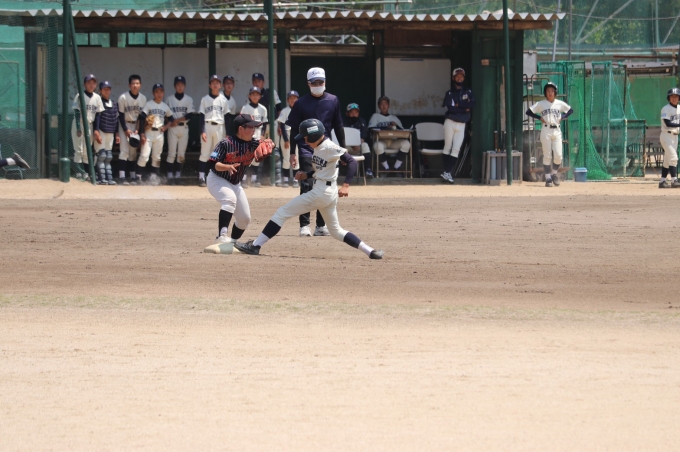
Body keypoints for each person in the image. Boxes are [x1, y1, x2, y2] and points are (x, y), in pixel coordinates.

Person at [234, 119, 384, 260]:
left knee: (281, 213)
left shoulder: (329, 147)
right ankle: (370, 251)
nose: (305, 141)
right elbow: (322, 169)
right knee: (336, 231)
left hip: (321, 192)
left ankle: (255, 246)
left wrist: (346, 185)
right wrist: (307, 174)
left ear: (314, 136)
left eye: (306, 138)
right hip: (326, 191)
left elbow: (351, 162)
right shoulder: (319, 147)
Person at [286, 67, 346, 237]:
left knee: (323, 185)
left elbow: (338, 126)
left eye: (320, 82)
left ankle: (320, 226)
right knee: (307, 185)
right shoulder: (300, 103)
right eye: (314, 82)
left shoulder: (333, 100)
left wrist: (343, 149)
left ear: (325, 82)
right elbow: (294, 128)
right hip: (306, 148)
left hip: (326, 149)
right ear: (308, 84)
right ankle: (304, 225)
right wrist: (292, 152)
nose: (318, 85)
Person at [206, 114, 274, 243]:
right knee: (229, 199)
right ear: (241, 129)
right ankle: (222, 236)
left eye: (255, 127)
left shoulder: (253, 144)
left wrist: (271, 143)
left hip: (235, 183)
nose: (254, 130)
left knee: (244, 219)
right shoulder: (225, 143)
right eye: (251, 127)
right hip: (217, 179)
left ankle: (232, 242)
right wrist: (227, 166)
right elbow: (212, 164)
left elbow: (267, 144)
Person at [525, 82, 573, 187]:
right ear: (545, 93)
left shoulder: (559, 103)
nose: (550, 93)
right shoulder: (541, 104)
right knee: (547, 155)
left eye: (552, 91)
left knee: (558, 155)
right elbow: (528, 112)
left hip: (557, 130)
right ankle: (548, 178)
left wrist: (563, 116)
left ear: (555, 92)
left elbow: (570, 110)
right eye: (548, 91)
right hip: (546, 130)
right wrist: (539, 117)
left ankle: (554, 174)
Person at [441, 68, 476, 184]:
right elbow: (451, 109)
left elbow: (472, 104)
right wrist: (464, 109)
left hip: (462, 124)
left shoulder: (468, 91)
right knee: (447, 146)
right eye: (457, 76)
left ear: (464, 78)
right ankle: (447, 172)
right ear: (453, 78)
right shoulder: (449, 93)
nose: (459, 78)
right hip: (450, 121)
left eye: (461, 76)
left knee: (456, 149)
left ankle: (447, 172)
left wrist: (459, 105)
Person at [137, 83, 173, 185]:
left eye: (161, 91)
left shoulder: (165, 106)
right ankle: (138, 177)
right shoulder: (149, 104)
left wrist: (166, 126)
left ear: (163, 93)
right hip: (148, 132)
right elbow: (142, 117)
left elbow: (171, 118)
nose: (159, 94)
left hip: (159, 133)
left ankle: (154, 178)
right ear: (153, 93)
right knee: (144, 155)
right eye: (157, 91)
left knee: (156, 157)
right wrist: (142, 133)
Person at [198, 75, 230, 187]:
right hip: (207, 126)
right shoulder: (204, 99)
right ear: (209, 85)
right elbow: (201, 116)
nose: (215, 84)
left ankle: (217, 177)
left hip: (219, 127)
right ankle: (201, 177)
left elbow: (227, 117)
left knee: (218, 153)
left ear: (220, 85)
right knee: (205, 152)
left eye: (217, 82)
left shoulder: (224, 100)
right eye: (213, 82)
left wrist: (228, 133)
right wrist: (202, 131)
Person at [71, 74, 104, 180]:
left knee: (87, 150)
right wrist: (78, 127)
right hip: (79, 123)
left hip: (90, 124)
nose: (91, 85)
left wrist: (96, 130)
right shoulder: (79, 95)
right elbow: (76, 111)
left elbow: (98, 115)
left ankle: (85, 172)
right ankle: (78, 172)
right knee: (78, 149)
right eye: (89, 83)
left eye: (93, 83)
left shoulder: (97, 97)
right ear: (84, 84)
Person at [117, 74, 147, 185]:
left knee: (133, 152)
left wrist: (138, 129)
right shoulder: (123, 97)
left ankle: (133, 176)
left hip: (135, 126)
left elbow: (141, 117)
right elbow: (120, 115)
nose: (135, 85)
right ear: (129, 85)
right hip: (124, 124)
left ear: (140, 85)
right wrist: (125, 130)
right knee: (124, 151)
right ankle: (122, 176)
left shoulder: (143, 98)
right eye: (133, 83)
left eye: (137, 83)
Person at [368, 96, 410, 172]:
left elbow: (402, 130)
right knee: (377, 145)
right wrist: (386, 127)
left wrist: (396, 126)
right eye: (381, 104)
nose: (384, 106)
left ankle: (396, 167)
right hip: (381, 140)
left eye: (386, 104)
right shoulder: (375, 116)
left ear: (389, 105)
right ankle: (386, 168)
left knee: (406, 143)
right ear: (379, 106)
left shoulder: (394, 118)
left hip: (393, 141)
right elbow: (371, 129)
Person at [166, 76, 194, 184]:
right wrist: (170, 121)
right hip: (172, 128)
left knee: (181, 153)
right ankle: (169, 176)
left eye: (182, 85)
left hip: (184, 127)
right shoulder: (169, 99)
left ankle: (177, 176)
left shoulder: (188, 99)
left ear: (184, 86)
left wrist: (176, 120)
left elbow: (190, 115)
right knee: (172, 153)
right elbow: (166, 114)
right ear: (175, 86)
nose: (180, 87)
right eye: (178, 85)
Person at [240, 86, 269, 188]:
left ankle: (254, 179)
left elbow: (264, 124)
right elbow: (242, 122)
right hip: (248, 134)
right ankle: (243, 179)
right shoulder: (245, 108)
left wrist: (262, 135)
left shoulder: (263, 109)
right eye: (253, 94)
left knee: (257, 157)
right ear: (249, 96)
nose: (255, 96)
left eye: (257, 94)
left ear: (260, 96)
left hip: (258, 133)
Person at [93, 80, 120, 185]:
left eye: (108, 89)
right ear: (100, 90)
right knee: (101, 155)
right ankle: (99, 177)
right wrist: (96, 131)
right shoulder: (99, 102)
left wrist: (117, 133)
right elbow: (97, 118)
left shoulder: (114, 104)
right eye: (104, 89)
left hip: (111, 133)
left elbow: (116, 120)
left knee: (108, 156)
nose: (107, 91)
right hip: (101, 132)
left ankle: (109, 178)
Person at [343, 102, 374, 178]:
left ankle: (368, 170)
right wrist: (351, 144)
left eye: (356, 112)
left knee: (365, 145)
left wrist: (357, 143)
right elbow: (341, 137)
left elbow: (364, 136)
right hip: (346, 147)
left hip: (358, 146)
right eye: (351, 112)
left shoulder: (362, 122)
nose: (354, 115)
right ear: (347, 113)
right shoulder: (342, 122)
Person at [276, 90, 301, 188]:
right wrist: (286, 140)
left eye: (295, 98)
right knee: (286, 158)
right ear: (287, 100)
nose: (293, 100)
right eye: (291, 98)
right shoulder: (285, 111)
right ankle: (286, 180)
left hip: (297, 136)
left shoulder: (300, 110)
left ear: (298, 99)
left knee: (296, 158)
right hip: (287, 136)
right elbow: (282, 126)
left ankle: (295, 180)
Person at [658, 87, 680, 188]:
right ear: (669, 98)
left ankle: (662, 182)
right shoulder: (665, 108)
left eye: (676, 96)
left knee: (667, 160)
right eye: (672, 96)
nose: (674, 98)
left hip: (675, 136)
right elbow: (667, 123)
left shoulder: (679, 108)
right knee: (673, 158)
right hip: (666, 135)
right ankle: (674, 180)